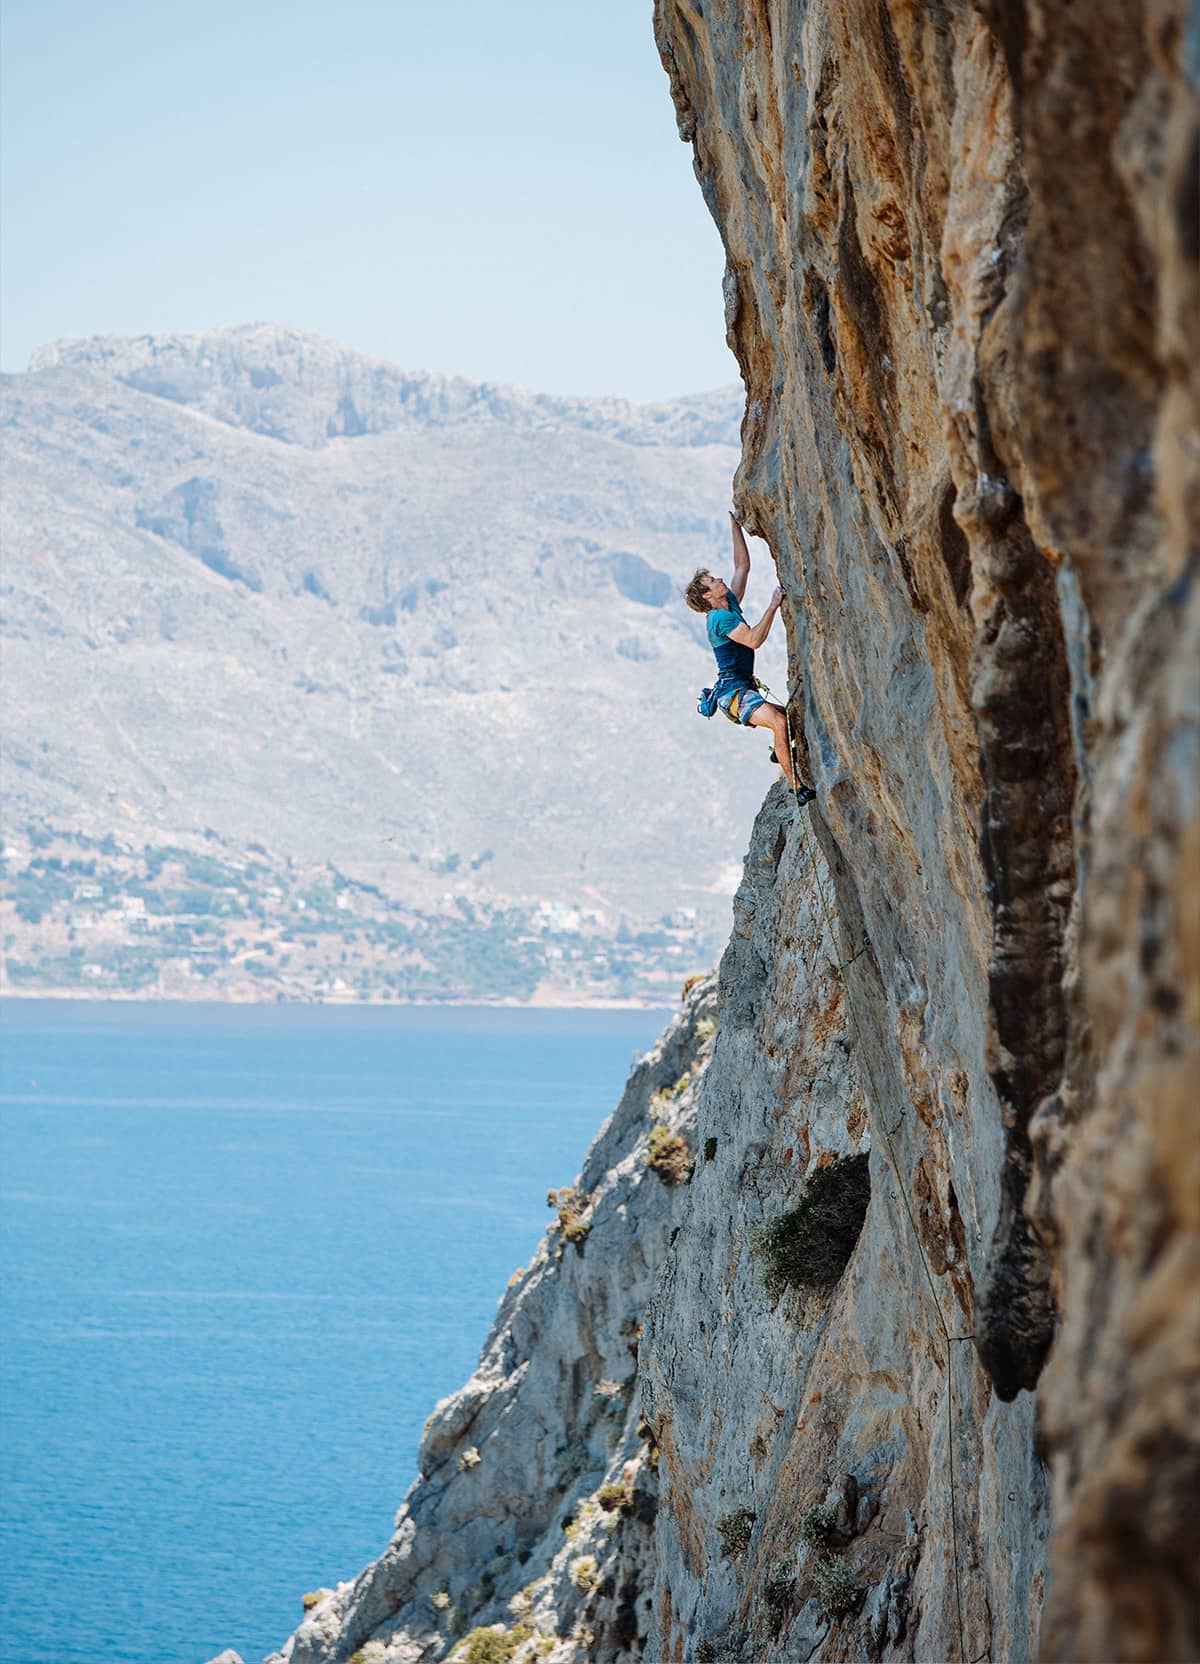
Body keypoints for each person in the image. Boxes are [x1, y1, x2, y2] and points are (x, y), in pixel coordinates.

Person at [684, 513, 816, 803]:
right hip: (734, 694)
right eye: (713, 580)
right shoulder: (719, 618)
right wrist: (773, 606)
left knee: (788, 718)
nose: (719, 579)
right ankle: (797, 788)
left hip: (741, 688)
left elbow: (742, 566)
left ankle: (777, 751)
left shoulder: (727, 603)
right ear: (707, 596)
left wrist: (734, 526)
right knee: (780, 724)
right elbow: (754, 640)